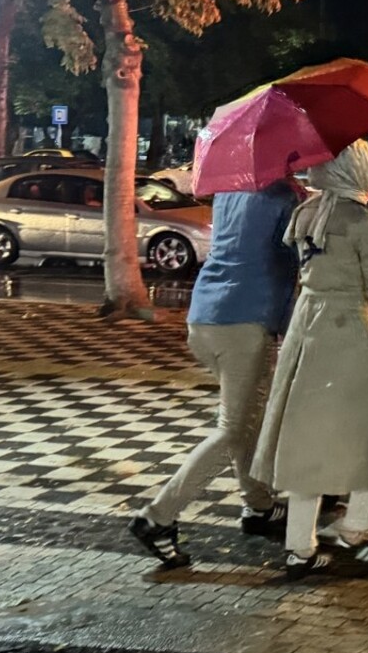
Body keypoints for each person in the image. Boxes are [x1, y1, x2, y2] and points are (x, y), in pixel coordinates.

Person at [251, 141, 368, 579]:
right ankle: (357, 526)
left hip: (307, 330)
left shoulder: (306, 213)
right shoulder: (363, 221)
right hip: (352, 333)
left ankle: (299, 547)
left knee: (307, 439)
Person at [129, 177, 302, 568]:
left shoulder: (229, 190)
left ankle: (258, 507)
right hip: (245, 322)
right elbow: (294, 262)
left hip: (204, 315)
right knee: (233, 429)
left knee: (242, 420)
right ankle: (157, 517)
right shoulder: (282, 198)